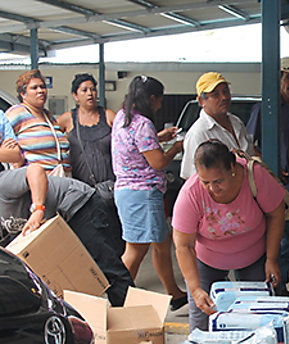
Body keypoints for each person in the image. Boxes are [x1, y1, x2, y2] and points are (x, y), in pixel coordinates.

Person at [172, 141, 285, 330]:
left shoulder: (254, 176)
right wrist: (195, 289)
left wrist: (271, 258)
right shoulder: (190, 194)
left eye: (218, 181)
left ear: (233, 167)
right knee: (202, 321)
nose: (212, 188)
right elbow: (183, 245)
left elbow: (276, 214)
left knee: (260, 319)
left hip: (254, 256)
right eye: (205, 182)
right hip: (207, 259)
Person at [0, 164, 132, 306]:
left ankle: (136, 318)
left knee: (106, 266)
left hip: (77, 205)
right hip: (55, 224)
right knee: (68, 279)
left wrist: (38, 208)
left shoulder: (4, 182)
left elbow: (35, 170)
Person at [112, 75, 187, 310]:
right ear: (152, 98)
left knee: (161, 243)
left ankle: (174, 294)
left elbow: (136, 147)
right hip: (143, 193)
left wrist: (159, 137)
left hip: (127, 191)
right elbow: (157, 162)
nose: (160, 104)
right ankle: (118, 297)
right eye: (159, 100)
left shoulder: (122, 117)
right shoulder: (143, 124)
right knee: (135, 250)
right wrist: (175, 147)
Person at [247, 56, 289, 295]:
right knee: (272, 236)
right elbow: (249, 144)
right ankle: (272, 285)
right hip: (272, 185)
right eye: (288, 77)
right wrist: (268, 169)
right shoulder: (265, 108)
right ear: (280, 79)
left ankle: (280, 283)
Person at [57, 73, 123, 252]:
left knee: (115, 238)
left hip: (110, 191)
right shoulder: (67, 119)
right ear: (75, 96)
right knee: (87, 240)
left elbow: (129, 137)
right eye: (84, 90)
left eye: (93, 89)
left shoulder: (109, 116)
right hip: (81, 192)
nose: (90, 94)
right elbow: (49, 141)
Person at [180, 72, 253, 180]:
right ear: (201, 101)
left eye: (225, 91)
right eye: (215, 95)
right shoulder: (198, 133)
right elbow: (193, 177)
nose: (224, 97)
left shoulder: (236, 122)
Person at [6, 69, 69, 176]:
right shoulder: (17, 113)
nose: (40, 91)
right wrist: (17, 158)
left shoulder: (48, 116)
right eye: (34, 88)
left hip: (60, 177)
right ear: (23, 94)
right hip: (37, 181)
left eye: (43, 87)